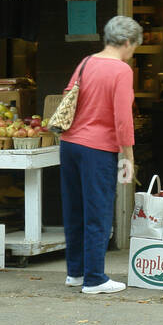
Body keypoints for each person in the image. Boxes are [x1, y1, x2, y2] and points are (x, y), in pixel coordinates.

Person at [59, 15, 139, 294]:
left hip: (69, 144)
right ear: (127, 42)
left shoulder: (85, 62)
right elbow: (122, 118)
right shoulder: (121, 71)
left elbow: (69, 95)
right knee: (98, 211)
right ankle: (94, 278)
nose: (132, 54)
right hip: (98, 148)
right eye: (133, 48)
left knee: (74, 210)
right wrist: (127, 156)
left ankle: (76, 272)